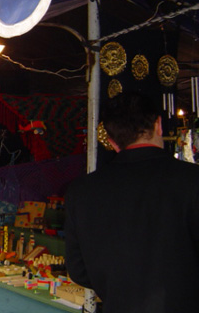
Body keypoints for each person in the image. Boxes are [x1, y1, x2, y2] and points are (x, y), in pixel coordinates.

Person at [65, 92, 199, 312]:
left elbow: (79, 271)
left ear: (110, 140)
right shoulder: (193, 181)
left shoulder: (81, 192)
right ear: (158, 125)